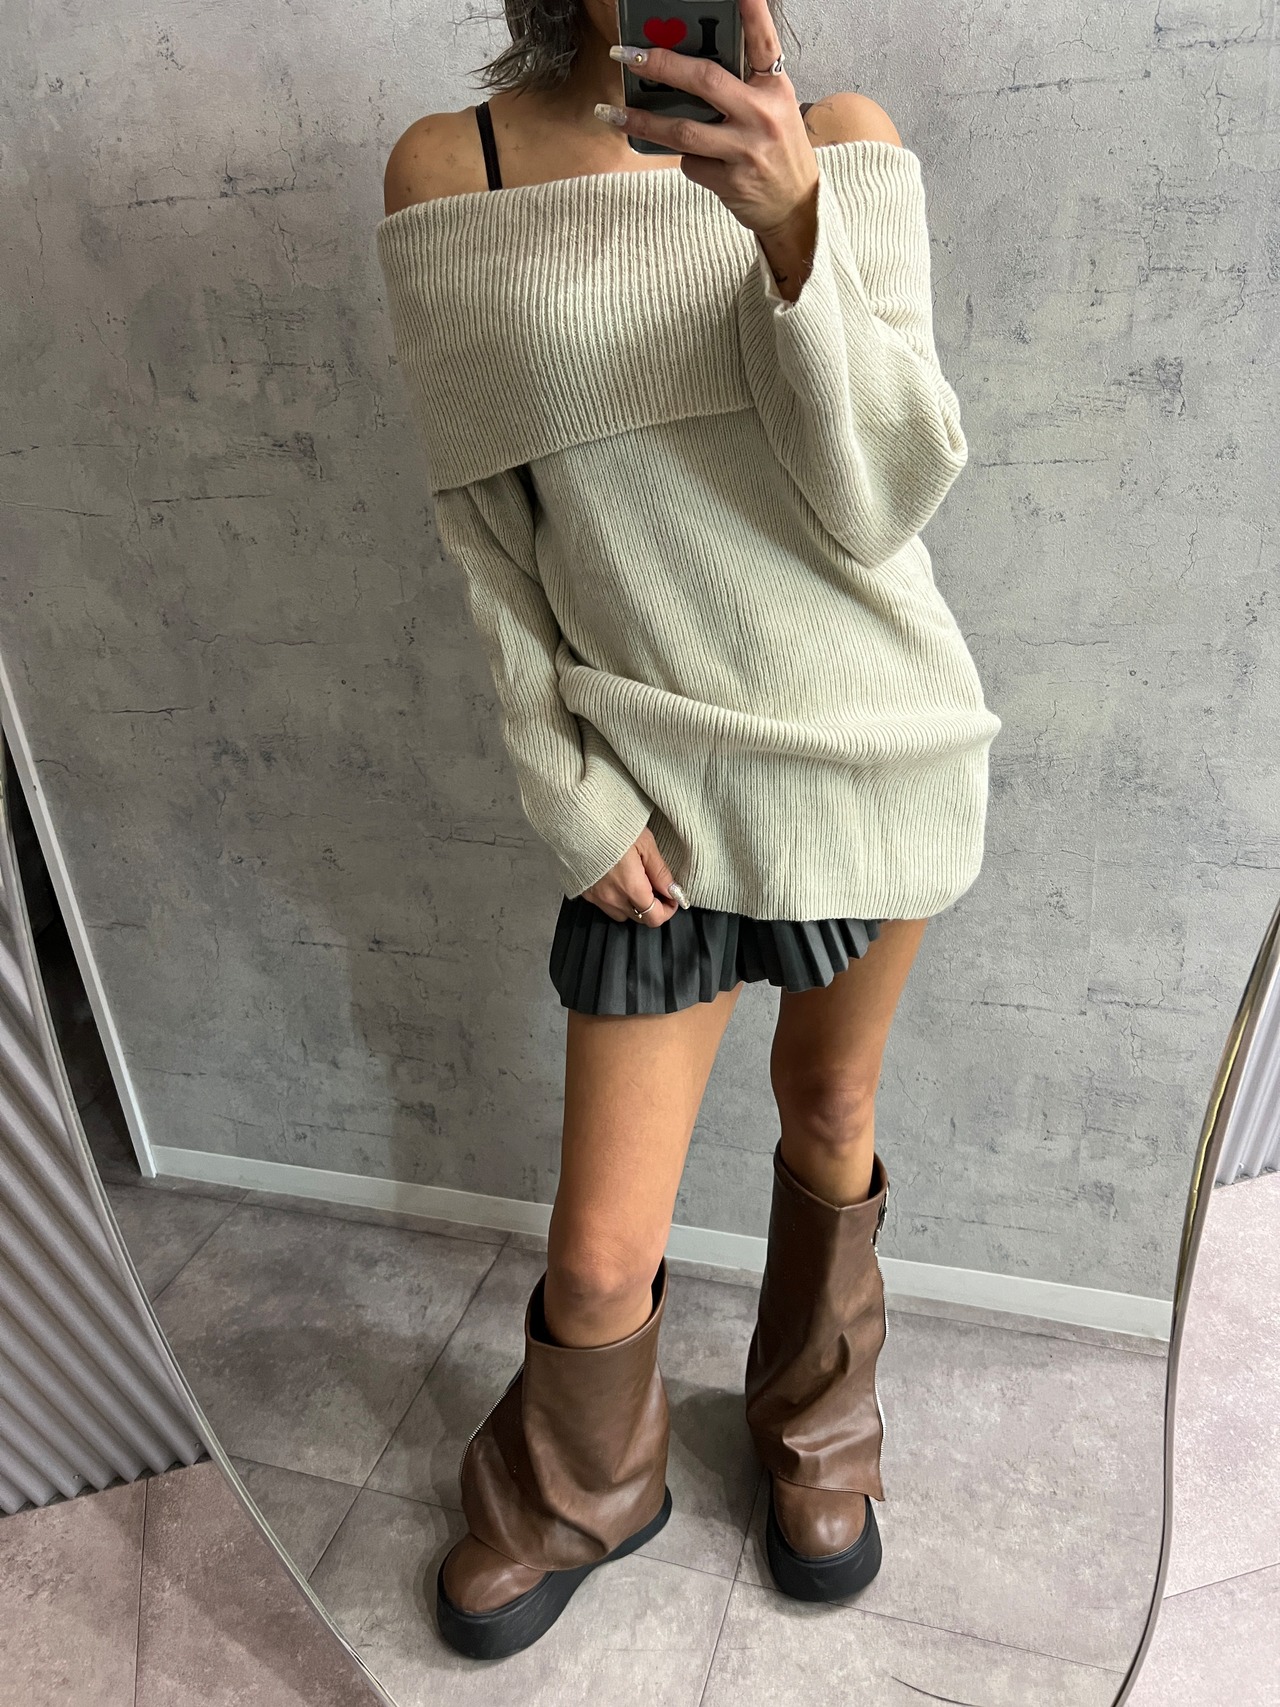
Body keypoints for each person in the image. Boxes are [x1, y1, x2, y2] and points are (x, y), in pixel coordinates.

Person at [377, 0, 1001, 1661]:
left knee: (832, 1105)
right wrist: (565, 787)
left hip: (868, 742)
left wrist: (794, 227)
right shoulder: (454, 169)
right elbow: (483, 533)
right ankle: (590, 1487)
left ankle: (819, 1427)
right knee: (598, 1262)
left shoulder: (845, 144)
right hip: (649, 791)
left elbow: (881, 497)